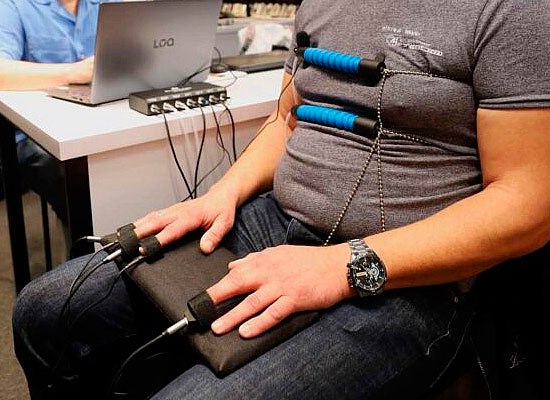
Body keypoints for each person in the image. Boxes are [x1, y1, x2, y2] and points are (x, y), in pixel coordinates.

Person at [12, 0, 550, 399]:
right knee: (48, 312)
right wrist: (220, 194)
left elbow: (529, 205)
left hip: (406, 273)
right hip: (274, 223)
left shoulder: (513, 11)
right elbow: (287, 118)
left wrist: (340, 266)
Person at [0, 0, 114, 218]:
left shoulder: (108, 3)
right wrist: (74, 72)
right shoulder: (13, 6)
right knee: (79, 182)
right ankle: (87, 233)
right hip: (38, 130)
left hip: (105, 115)